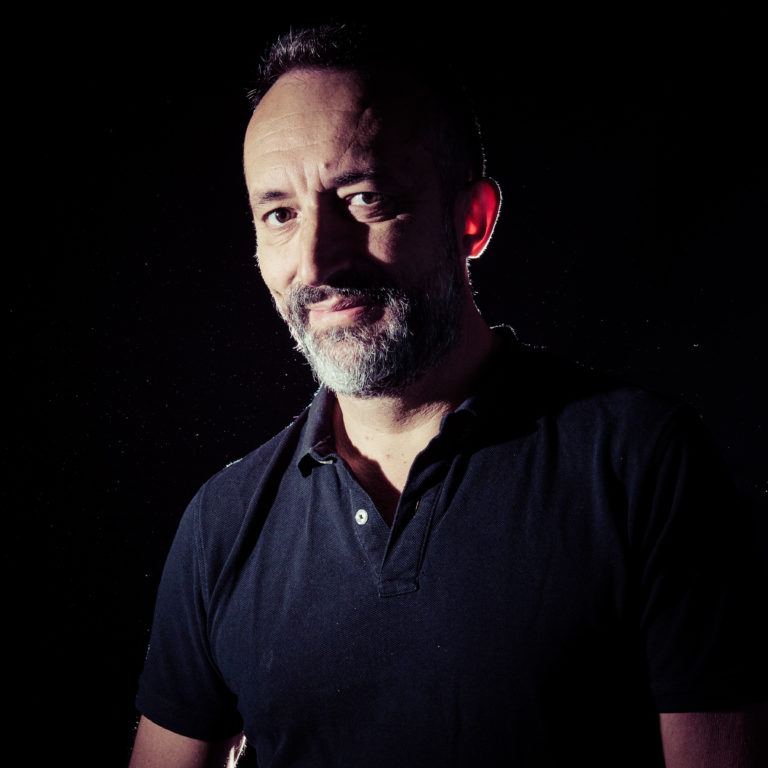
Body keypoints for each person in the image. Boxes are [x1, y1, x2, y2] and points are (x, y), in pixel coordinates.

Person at [130, 23, 766, 768]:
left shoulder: (642, 465)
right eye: (280, 214)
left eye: (364, 199)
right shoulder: (220, 525)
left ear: (473, 220)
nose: (315, 260)